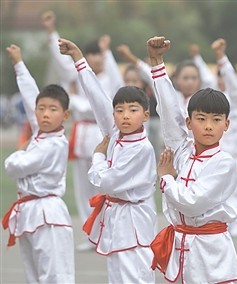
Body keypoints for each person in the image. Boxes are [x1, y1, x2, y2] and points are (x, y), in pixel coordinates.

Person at [59, 38, 157, 283]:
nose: (125, 116)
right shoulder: (115, 133)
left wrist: (98, 157)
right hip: (116, 220)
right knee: (116, 276)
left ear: (145, 115)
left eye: (133, 110)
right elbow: (97, 98)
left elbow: (108, 184)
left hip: (134, 222)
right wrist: (79, 59)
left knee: (136, 276)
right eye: (120, 110)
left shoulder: (142, 148)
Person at [147, 36, 237, 283]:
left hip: (212, 253)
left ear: (226, 124)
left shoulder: (224, 162)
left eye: (216, 120)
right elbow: (169, 113)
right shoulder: (183, 150)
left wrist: (166, 178)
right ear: (189, 123)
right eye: (201, 119)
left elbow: (192, 203)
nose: (208, 126)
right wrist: (157, 63)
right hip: (182, 246)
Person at [41, 10, 124, 251]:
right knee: (83, 186)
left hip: (103, 135)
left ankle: (109, 232)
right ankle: (92, 234)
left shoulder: (110, 76)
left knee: (105, 185)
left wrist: (108, 51)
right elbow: (61, 61)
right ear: (86, 57)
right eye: (92, 55)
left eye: (100, 55)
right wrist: (50, 31)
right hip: (82, 135)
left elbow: (105, 101)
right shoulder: (78, 76)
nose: (96, 59)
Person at [3, 44, 74, 283]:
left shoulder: (52, 144)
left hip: (47, 213)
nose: (44, 114)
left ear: (65, 115)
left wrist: (18, 153)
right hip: (29, 212)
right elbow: (29, 93)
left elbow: (13, 167)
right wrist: (19, 64)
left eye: (52, 109)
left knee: (55, 275)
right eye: (41, 108)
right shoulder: (41, 135)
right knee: (35, 276)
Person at [211, 38, 237, 238]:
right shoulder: (213, 98)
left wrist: (221, 58)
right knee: (219, 188)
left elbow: (236, 87)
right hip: (218, 150)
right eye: (219, 76)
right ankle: (222, 220)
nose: (222, 80)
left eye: (225, 76)